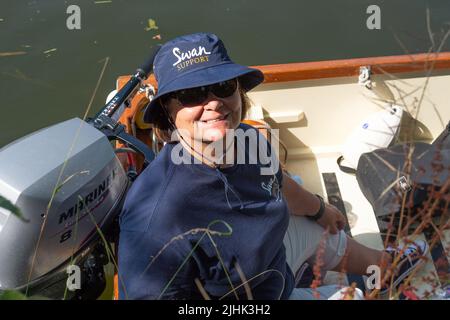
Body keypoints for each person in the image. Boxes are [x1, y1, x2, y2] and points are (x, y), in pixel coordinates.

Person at [118, 33, 428, 300]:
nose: (213, 102)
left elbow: (278, 182)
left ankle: (389, 270)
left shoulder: (249, 139)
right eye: (191, 94)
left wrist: (320, 210)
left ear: (239, 92)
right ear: (169, 113)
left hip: (272, 262)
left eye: (223, 86)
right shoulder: (155, 221)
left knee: (326, 232)